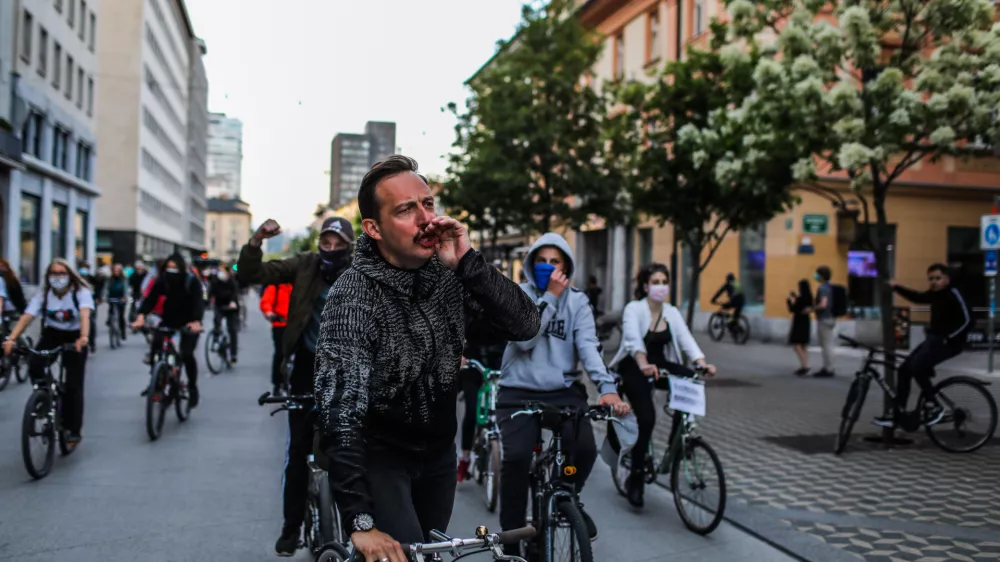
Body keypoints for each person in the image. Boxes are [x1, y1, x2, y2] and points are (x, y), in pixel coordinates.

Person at [310, 155, 540, 562]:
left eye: (428, 204)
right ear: (373, 228)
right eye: (405, 209)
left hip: (438, 458)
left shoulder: (449, 275)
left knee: (430, 554)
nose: (426, 219)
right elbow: (339, 411)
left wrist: (470, 262)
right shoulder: (354, 293)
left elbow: (525, 324)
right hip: (379, 459)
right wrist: (360, 521)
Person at [498, 232, 630, 542]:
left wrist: (606, 387)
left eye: (554, 261)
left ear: (566, 266)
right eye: (541, 261)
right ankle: (512, 540)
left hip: (564, 389)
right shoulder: (519, 294)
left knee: (584, 450)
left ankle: (565, 497)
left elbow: (588, 347)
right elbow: (525, 340)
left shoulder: (580, 301)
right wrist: (551, 298)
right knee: (516, 459)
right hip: (518, 389)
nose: (547, 266)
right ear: (531, 264)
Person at [237, 215, 355, 557]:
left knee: (354, 450)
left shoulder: (360, 272)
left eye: (338, 245)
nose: (330, 249)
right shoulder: (305, 265)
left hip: (348, 369)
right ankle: (291, 527)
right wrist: (257, 240)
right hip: (306, 367)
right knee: (297, 452)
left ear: (349, 246)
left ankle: (360, 522)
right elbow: (252, 274)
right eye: (325, 243)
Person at [608, 263, 713, 508]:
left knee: (690, 380)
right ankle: (635, 478)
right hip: (634, 366)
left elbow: (686, 338)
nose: (661, 287)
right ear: (645, 286)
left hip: (660, 365)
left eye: (664, 282)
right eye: (655, 282)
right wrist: (643, 362)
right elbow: (633, 339)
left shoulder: (671, 312)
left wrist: (702, 362)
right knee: (646, 418)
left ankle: (678, 444)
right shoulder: (633, 309)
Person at [3, 259, 93, 445]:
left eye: (62, 273)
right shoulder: (44, 294)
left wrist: (83, 337)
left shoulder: (81, 293)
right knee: (35, 363)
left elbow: (85, 315)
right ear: (48, 276)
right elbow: (28, 316)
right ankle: (44, 394)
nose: (58, 277)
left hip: (75, 336)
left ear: (69, 275)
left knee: (73, 385)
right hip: (52, 333)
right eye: (54, 273)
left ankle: (73, 429)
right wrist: (11, 338)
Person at [875, 264, 971, 427]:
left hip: (951, 343)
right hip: (934, 340)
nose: (934, 282)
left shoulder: (954, 293)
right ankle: (898, 413)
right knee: (905, 369)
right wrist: (896, 287)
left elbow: (968, 320)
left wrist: (949, 338)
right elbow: (918, 297)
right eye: (931, 279)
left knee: (918, 367)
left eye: (938, 278)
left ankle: (934, 406)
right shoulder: (934, 294)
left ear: (947, 279)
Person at [131, 253, 205, 406]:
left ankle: (192, 388)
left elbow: (198, 303)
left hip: (189, 322)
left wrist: (196, 322)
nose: (171, 271)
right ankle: (157, 381)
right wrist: (140, 317)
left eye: (174, 268)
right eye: (168, 268)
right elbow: (150, 299)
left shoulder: (191, 281)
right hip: (168, 320)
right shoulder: (163, 281)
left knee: (187, 354)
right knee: (156, 347)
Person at [456, 337, 506, 483]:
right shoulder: (471, 315)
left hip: (498, 358)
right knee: (471, 411)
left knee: (502, 407)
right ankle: (464, 458)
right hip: (472, 360)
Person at [260, 282, 293, 396]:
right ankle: (277, 384)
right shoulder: (276, 286)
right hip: (280, 324)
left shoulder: (301, 284)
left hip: (297, 325)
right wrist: (269, 312)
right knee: (280, 354)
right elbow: (266, 301)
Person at [209, 265, 241, 364]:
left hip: (231, 308)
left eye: (223, 271)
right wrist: (206, 301)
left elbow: (235, 293)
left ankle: (233, 354)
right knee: (217, 322)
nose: (221, 273)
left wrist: (232, 302)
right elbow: (209, 292)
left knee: (232, 329)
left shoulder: (232, 282)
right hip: (219, 306)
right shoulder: (215, 282)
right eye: (219, 271)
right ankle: (216, 340)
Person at [812, 265, 836, 377]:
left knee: (826, 345)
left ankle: (828, 368)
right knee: (828, 344)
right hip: (831, 317)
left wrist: (812, 309)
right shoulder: (830, 287)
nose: (815, 276)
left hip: (824, 319)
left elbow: (823, 304)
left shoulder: (823, 288)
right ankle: (828, 367)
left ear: (821, 276)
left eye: (817, 274)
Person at [787, 279, 813, 375]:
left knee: (796, 344)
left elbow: (793, 309)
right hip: (806, 321)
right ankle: (805, 364)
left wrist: (790, 301)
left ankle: (804, 366)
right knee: (803, 345)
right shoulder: (810, 298)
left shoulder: (800, 299)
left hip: (798, 322)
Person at [79, 262, 104, 353]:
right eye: (83, 268)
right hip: (78, 304)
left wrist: (98, 298)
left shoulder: (92, 279)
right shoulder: (75, 279)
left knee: (91, 322)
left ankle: (92, 343)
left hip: (91, 303)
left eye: (86, 268)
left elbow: (98, 287)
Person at [104, 264, 130, 342]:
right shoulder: (109, 279)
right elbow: (106, 288)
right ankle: (110, 322)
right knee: (110, 311)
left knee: (121, 316)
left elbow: (125, 289)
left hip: (121, 298)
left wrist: (125, 297)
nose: (116, 272)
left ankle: (123, 332)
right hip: (112, 297)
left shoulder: (124, 279)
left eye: (118, 270)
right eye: (114, 270)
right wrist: (104, 297)